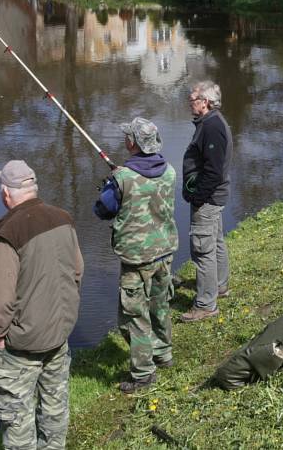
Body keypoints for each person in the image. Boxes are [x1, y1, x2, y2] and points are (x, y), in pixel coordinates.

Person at [0, 160, 84, 450]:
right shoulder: (63, 218)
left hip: (21, 343)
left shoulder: (7, 234)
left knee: (16, 420)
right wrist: (64, 316)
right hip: (59, 333)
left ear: (6, 193)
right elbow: (77, 272)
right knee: (55, 408)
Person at [94, 118, 178, 393]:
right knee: (161, 304)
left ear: (132, 143)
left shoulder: (121, 179)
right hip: (164, 251)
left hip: (137, 257)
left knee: (134, 315)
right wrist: (121, 177)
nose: (125, 139)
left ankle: (143, 374)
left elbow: (103, 210)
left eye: (127, 136)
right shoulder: (170, 171)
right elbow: (145, 184)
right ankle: (163, 353)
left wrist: (112, 183)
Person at [181, 81, 233, 323]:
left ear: (206, 102)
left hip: (209, 199)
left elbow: (214, 172)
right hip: (214, 197)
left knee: (203, 250)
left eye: (193, 98)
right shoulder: (209, 122)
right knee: (216, 242)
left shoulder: (212, 127)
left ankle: (205, 304)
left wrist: (197, 197)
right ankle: (219, 287)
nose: (190, 102)